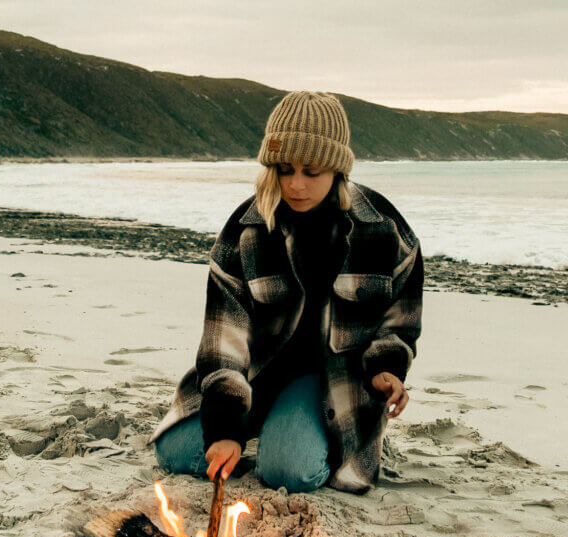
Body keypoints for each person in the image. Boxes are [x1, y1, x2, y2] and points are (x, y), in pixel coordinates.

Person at [150, 91, 424, 495]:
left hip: (333, 382)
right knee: (174, 453)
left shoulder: (384, 230)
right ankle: (268, 430)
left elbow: (400, 320)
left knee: (289, 471)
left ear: (337, 169)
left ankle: (305, 439)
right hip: (257, 372)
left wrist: (388, 368)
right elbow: (223, 343)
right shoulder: (244, 233)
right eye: (284, 169)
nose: (295, 185)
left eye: (311, 171)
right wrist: (225, 429)